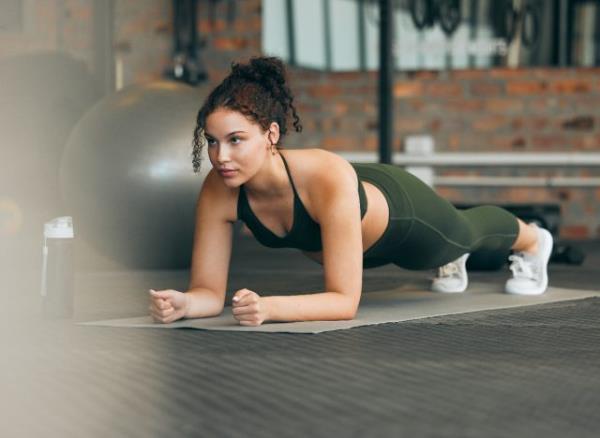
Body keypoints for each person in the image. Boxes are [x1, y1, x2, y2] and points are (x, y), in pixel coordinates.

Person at [148, 56, 554, 327]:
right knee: (448, 250)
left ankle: (536, 240)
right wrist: (185, 304)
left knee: (464, 233)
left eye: (236, 139)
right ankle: (460, 260)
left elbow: (344, 301)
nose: (221, 155)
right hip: (358, 241)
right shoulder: (220, 189)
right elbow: (208, 292)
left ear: (271, 134)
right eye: (213, 141)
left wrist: (270, 307)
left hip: (402, 219)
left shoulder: (324, 176)